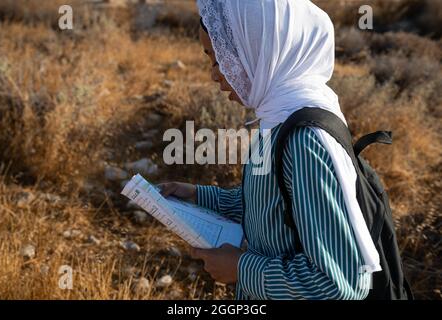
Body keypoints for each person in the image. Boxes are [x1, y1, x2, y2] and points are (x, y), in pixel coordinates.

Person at [159, 0, 381, 300]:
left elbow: (338, 284)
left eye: (219, 59)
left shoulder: (305, 141)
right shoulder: (277, 120)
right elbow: (273, 207)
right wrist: (198, 195)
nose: (214, 74)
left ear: (259, 51)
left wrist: (241, 270)